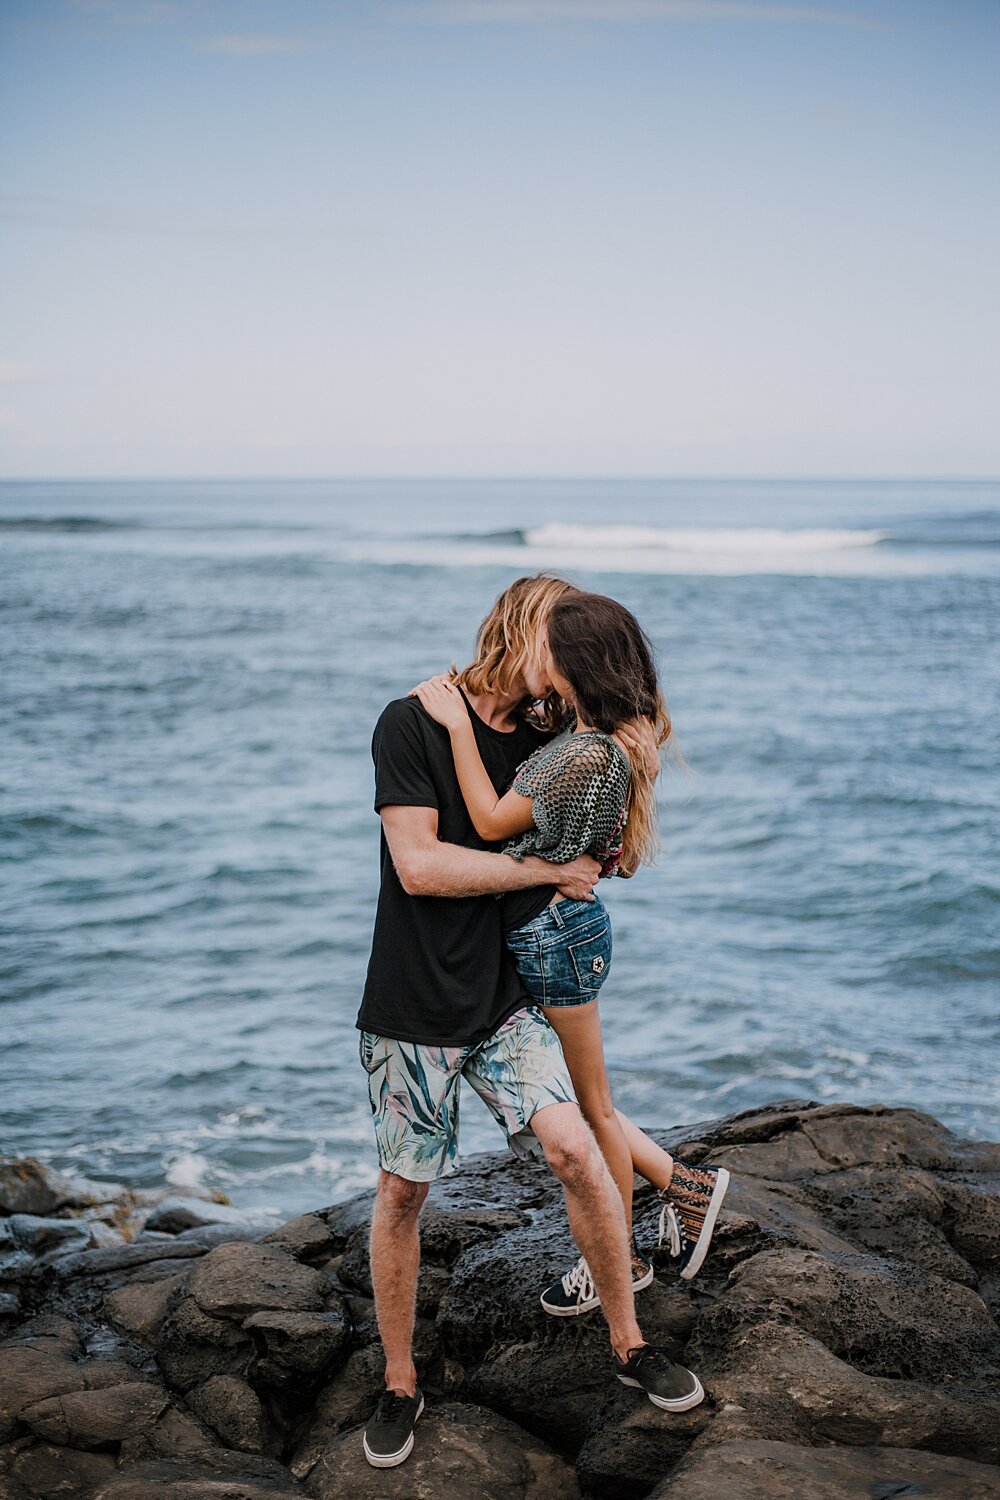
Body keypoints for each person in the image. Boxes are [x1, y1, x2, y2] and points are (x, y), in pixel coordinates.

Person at [357, 575, 705, 1471]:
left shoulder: (556, 735)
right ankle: (399, 1378)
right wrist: (547, 876)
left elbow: (589, 846)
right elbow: (422, 868)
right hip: (415, 1003)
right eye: (557, 632)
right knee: (402, 1193)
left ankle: (629, 1343)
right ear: (522, 630)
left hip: (510, 1001)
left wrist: (602, 842)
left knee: (579, 1150)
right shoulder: (412, 721)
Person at [413, 590, 730, 1319]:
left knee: (591, 1111)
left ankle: (618, 1261)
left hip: (558, 936)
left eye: (549, 648)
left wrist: (458, 726)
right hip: (560, 931)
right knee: (588, 1106)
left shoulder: (586, 751)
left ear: (575, 663)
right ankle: (678, 1194)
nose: (536, 658)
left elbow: (493, 820)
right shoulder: (600, 737)